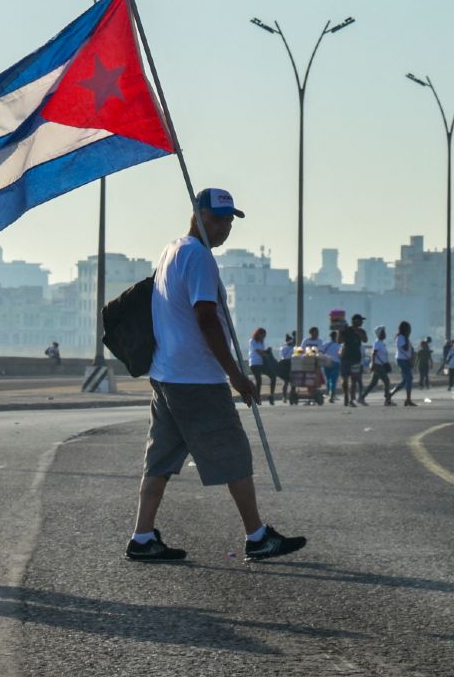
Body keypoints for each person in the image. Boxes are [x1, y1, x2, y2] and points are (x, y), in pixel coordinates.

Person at [127, 188, 305, 562]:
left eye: (228, 220)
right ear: (198, 215)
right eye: (218, 218)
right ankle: (257, 536)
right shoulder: (199, 257)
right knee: (233, 453)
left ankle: (142, 537)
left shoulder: (171, 250)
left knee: (160, 458)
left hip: (167, 374)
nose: (224, 227)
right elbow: (205, 318)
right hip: (196, 378)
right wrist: (236, 376)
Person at [340, 314, 368, 408]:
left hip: (356, 358)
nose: (362, 322)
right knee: (345, 379)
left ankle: (351, 399)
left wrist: (358, 332)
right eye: (360, 320)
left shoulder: (361, 331)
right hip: (346, 357)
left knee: (354, 379)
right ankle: (346, 396)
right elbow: (339, 341)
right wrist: (340, 331)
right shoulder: (346, 330)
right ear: (355, 321)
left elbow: (365, 340)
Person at [247, 328, 277, 405]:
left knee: (273, 376)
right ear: (258, 334)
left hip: (261, 364)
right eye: (262, 335)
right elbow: (259, 352)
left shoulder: (261, 342)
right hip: (254, 363)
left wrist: (268, 352)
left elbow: (263, 352)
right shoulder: (252, 341)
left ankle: (271, 395)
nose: (263, 337)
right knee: (259, 380)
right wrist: (268, 356)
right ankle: (257, 398)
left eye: (264, 335)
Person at [390, 321, 415, 406]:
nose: (410, 331)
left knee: (405, 381)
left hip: (405, 360)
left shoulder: (404, 337)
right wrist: (407, 338)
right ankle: (408, 400)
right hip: (401, 360)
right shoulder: (401, 337)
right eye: (409, 329)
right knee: (409, 378)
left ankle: (390, 394)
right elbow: (405, 348)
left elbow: (410, 349)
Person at [366, 326, 392, 405]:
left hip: (381, 365)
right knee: (387, 381)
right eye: (383, 333)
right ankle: (387, 400)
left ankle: (362, 397)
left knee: (373, 383)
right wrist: (373, 364)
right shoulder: (377, 343)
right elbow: (374, 353)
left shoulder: (382, 343)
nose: (385, 334)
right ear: (380, 334)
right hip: (378, 365)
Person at [322, 330, 342, 403]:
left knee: (328, 379)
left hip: (327, 363)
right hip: (336, 363)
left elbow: (321, 352)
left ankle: (329, 394)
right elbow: (340, 356)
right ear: (336, 337)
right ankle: (331, 395)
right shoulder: (339, 346)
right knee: (333, 380)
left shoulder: (325, 344)